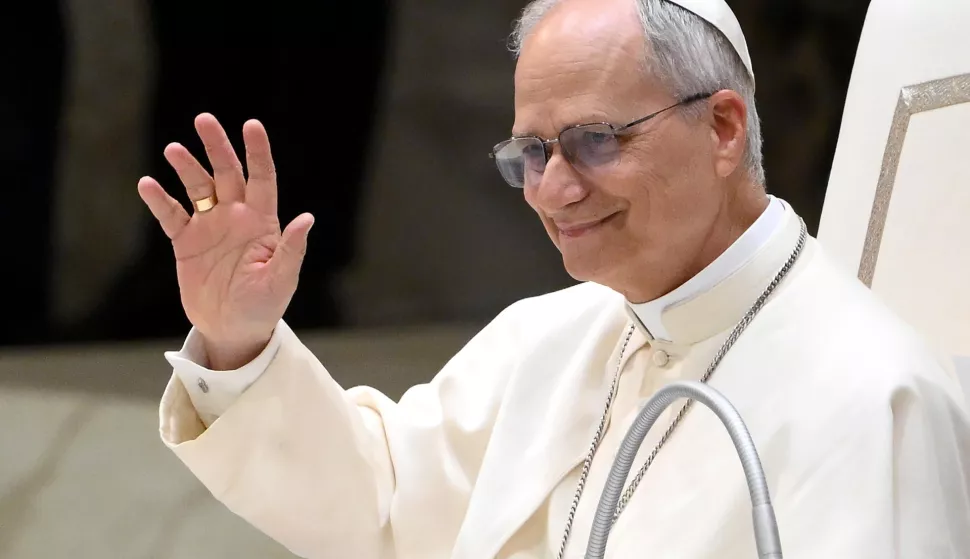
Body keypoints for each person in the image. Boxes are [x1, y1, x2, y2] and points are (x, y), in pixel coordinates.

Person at [139, 0, 970, 557]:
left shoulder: (871, 396)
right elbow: (382, 498)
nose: (554, 190)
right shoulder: (552, 335)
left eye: (596, 141)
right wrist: (239, 339)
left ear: (722, 128)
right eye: (531, 153)